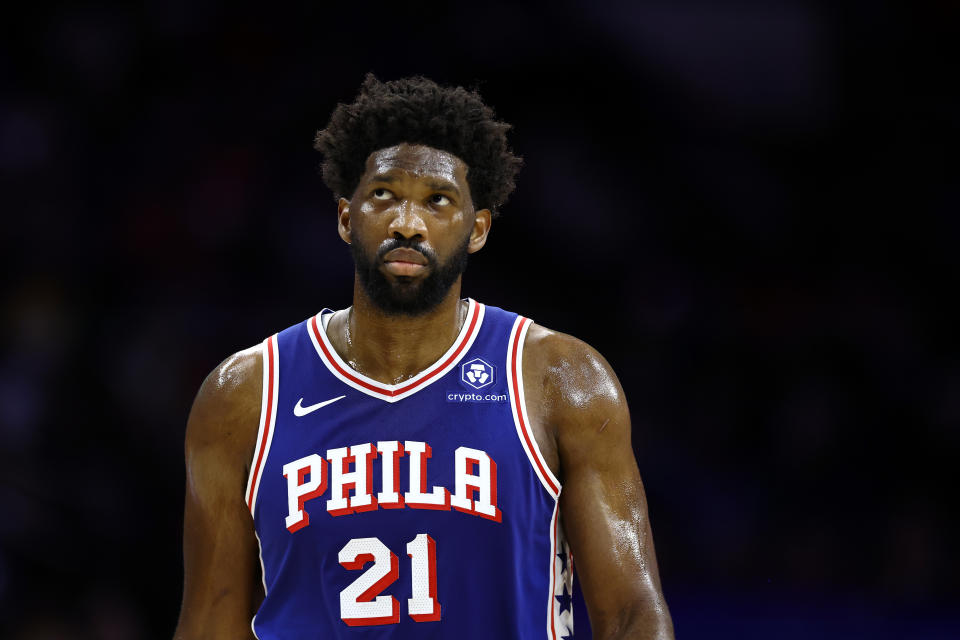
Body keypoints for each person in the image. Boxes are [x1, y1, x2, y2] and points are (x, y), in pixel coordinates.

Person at [173, 75, 674, 640]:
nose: (407, 224)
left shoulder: (561, 379)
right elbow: (209, 624)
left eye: (438, 201)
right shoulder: (244, 395)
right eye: (384, 195)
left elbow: (633, 615)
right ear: (345, 218)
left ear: (477, 228)